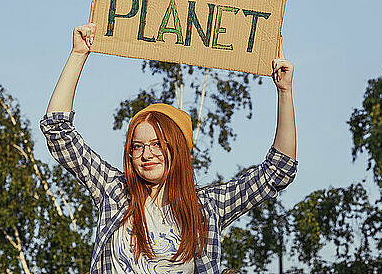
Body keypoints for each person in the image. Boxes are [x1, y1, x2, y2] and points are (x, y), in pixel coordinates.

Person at [40, 22, 298, 274]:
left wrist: (284, 91)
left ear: (178, 150)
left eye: (157, 144)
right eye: (137, 146)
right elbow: (58, 132)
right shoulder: (115, 193)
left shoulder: (206, 208)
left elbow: (278, 171)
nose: (146, 154)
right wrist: (78, 54)